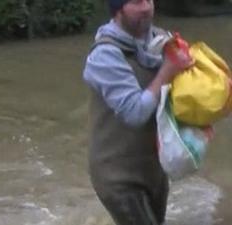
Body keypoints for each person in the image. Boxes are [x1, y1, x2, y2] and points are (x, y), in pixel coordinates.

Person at [82, 0, 193, 224]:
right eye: (136, 2)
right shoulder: (104, 56)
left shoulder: (162, 41)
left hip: (153, 169)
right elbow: (135, 112)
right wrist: (168, 71)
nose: (146, 7)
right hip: (117, 176)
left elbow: (183, 96)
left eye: (148, 0)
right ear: (118, 10)